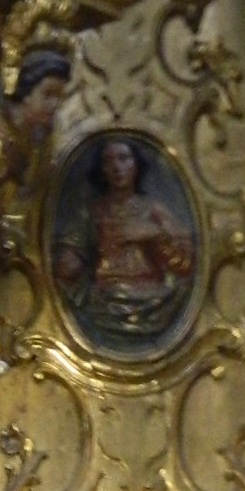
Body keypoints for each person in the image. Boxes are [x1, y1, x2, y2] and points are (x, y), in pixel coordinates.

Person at [52, 137, 194, 344]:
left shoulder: (154, 211)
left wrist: (155, 234)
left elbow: (184, 263)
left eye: (123, 158)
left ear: (136, 164)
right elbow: (72, 251)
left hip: (153, 302)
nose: (116, 167)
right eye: (108, 161)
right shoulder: (92, 212)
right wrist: (70, 259)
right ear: (101, 169)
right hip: (104, 303)